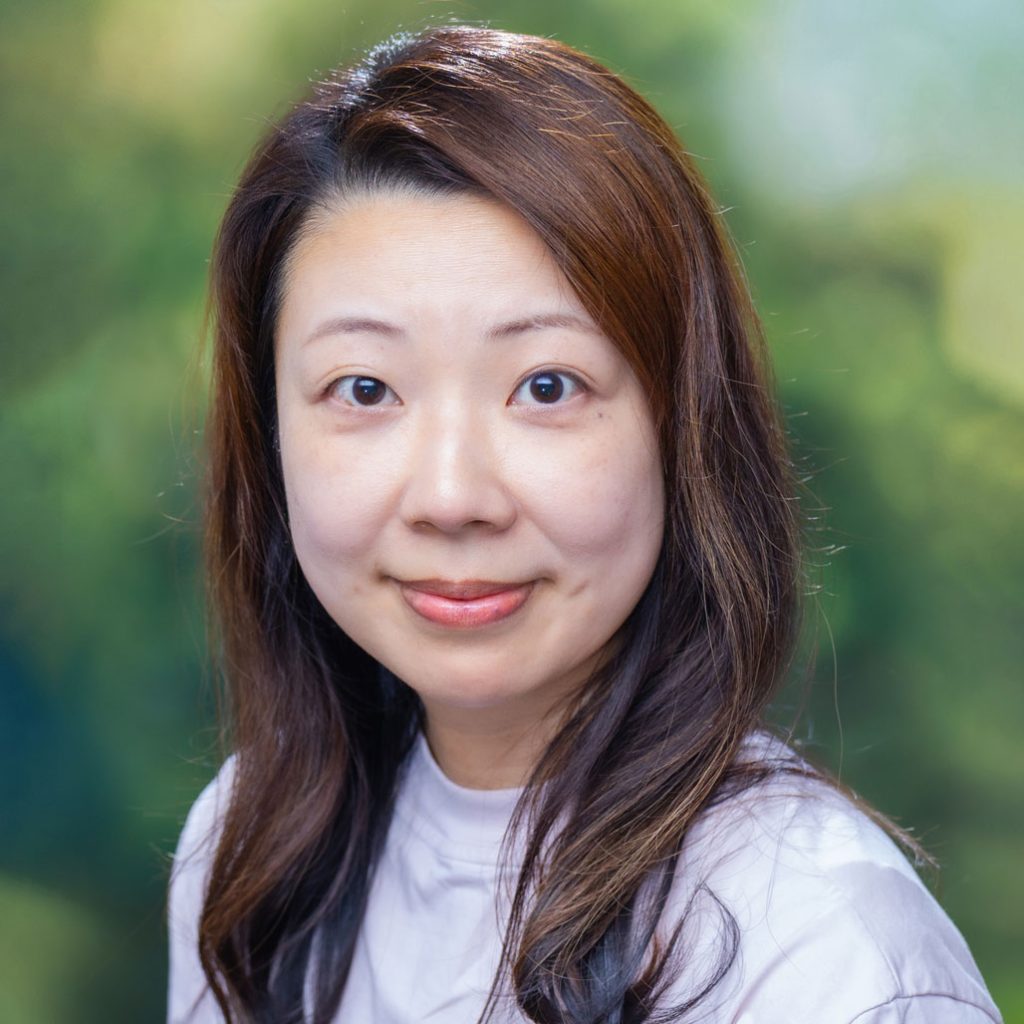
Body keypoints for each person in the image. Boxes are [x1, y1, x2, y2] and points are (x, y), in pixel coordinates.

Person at [167, 24, 1002, 1024]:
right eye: (364, 387)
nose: (450, 494)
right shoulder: (254, 856)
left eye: (546, 386)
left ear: (678, 425)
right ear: (268, 435)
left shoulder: (815, 944)